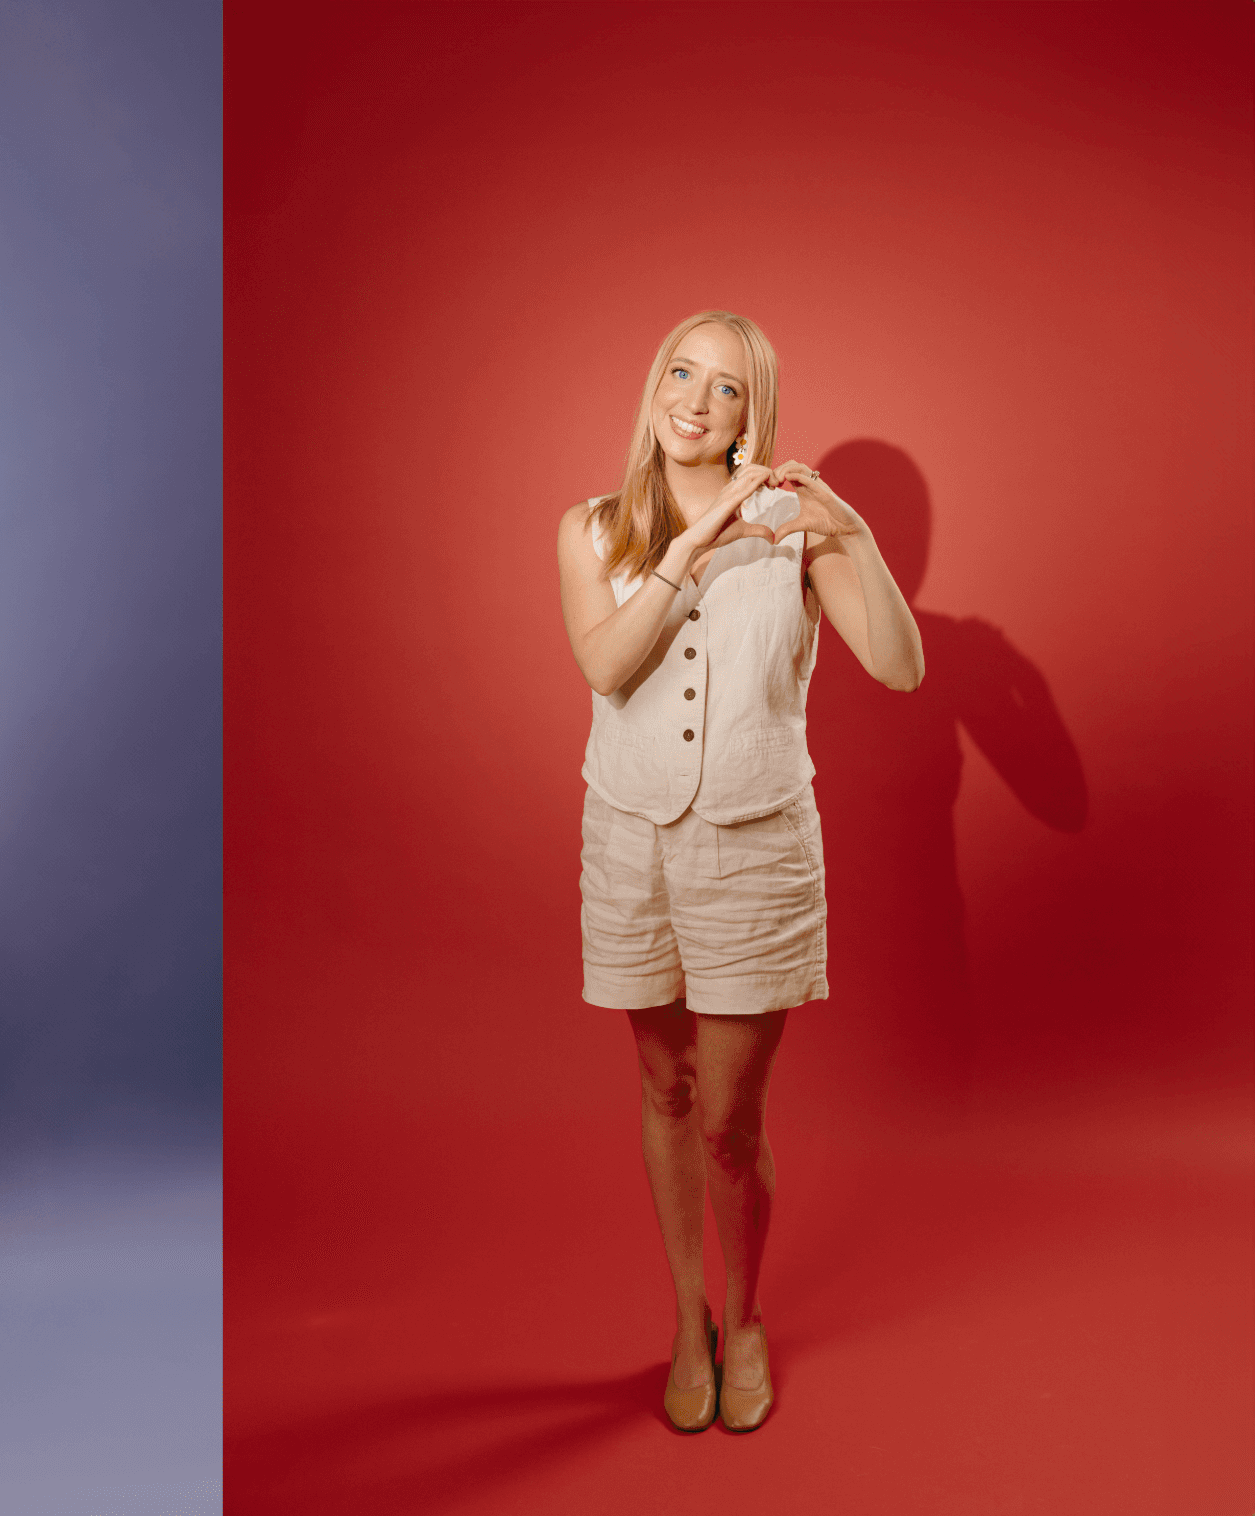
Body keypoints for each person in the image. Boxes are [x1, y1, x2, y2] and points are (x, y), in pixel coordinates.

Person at [551, 310, 922, 1433]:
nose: (696, 402)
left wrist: (847, 530)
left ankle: (745, 1311)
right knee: (660, 1090)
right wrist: (685, 546)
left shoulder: (796, 537)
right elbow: (608, 664)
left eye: (726, 389)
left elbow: (902, 671)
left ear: (751, 415)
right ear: (652, 384)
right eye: (681, 373)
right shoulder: (592, 528)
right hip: (629, 844)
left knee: (725, 1117)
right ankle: (685, 1318)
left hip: (754, 849)